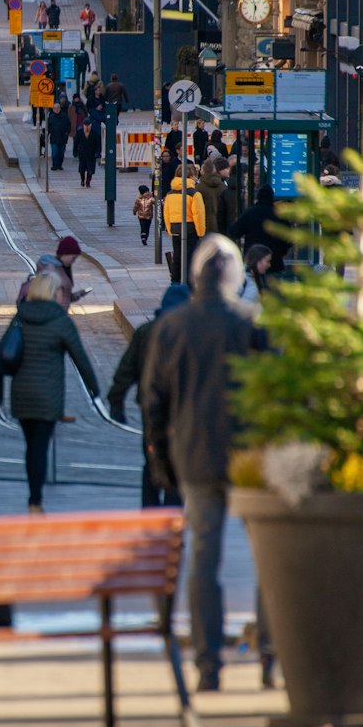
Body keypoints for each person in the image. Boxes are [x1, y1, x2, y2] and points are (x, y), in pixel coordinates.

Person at [141, 235, 268, 693]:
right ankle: (270, 655)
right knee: (268, 558)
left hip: (194, 453)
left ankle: (208, 663)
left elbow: (152, 402)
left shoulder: (172, 327)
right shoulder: (252, 322)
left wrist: (161, 462)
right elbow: (278, 392)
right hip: (251, 457)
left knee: (204, 559)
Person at [0, 272, 99, 512]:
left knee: (32, 447)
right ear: (52, 293)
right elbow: (80, 357)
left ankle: (34, 496)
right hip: (49, 395)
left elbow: (0, 356)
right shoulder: (60, 320)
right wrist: (96, 391)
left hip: (21, 394)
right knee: (40, 446)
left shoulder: (21, 316)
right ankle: (35, 501)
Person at [108, 282, 189, 508]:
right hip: (182, 409)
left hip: (151, 405)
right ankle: (172, 514)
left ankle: (150, 512)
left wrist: (116, 400)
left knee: (152, 456)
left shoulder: (146, 331)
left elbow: (127, 369)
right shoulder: (190, 335)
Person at [229, 184, 290, 274]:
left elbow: (234, 231)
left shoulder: (250, 213)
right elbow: (290, 237)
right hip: (275, 261)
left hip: (253, 261)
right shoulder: (278, 215)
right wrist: (282, 251)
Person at [163, 170, 207, 285]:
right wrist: (201, 232)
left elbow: (166, 213)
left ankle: (175, 281)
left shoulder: (170, 194)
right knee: (190, 257)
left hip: (175, 228)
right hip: (190, 228)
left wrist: (170, 229)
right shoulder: (194, 194)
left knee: (177, 256)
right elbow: (198, 214)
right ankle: (189, 283)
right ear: (191, 176)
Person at [196, 158, 226, 235]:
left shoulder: (198, 188)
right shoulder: (223, 186)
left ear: (203, 171)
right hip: (220, 225)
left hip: (204, 224)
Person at [73, 115, 100, 187]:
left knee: (90, 169)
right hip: (82, 154)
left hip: (91, 154)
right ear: (83, 125)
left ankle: (88, 182)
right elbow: (76, 142)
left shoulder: (94, 133)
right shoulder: (79, 132)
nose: (87, 127)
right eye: (85, 125)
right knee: (82, 169)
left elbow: (98, 143)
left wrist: (97, 152)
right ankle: (82, 180)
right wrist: (75, 151)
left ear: (91, 125)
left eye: (88, 125)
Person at [47, 98, 71, 171]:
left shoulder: (64, 116)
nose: (56, 109)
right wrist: (47, 135)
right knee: (54, 153)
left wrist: (66, 133)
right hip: (54, 138)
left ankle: (59, 165)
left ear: (60, 108)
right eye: (55, 108)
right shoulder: (50, 117)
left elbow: (69, 125)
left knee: (61, 153)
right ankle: (54, 165)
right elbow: (48, 127)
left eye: (58, 108)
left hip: (62, 138)